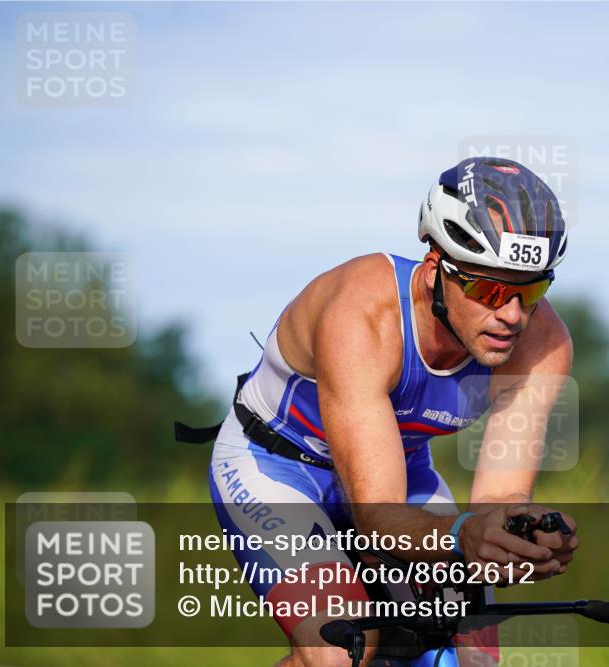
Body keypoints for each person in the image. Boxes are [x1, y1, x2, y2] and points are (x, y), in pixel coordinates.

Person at [206, 157, 578, 667]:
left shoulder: (543, 342)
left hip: (399, 472)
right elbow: (376, 515)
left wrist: (516, 533)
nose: (512, 315)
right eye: (490, 290)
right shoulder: (363, 315)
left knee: (470, 658)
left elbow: (498, 500)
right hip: (277, 465)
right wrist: (460, 536)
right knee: (340, 649)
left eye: (530, 290)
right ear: (435, 271)